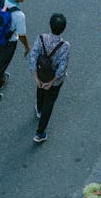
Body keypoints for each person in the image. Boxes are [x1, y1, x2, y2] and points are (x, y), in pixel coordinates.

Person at [28, 13, 70, 145]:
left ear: (50, 25)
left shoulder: (41, 38)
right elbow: (62, 68)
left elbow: (33, 56)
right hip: (54, 80)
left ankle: (39, 109)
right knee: (50, 102)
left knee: (40, 90)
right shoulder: (65, 46)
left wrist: (35, 77)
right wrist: (51, 83)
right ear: (63, 28)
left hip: (41, 73)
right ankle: (40, 133)